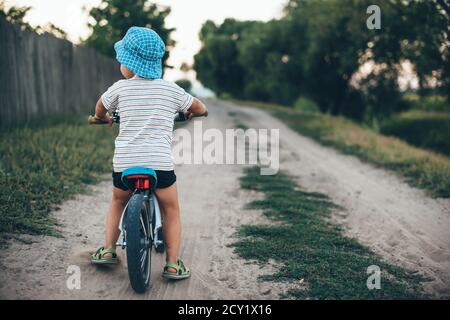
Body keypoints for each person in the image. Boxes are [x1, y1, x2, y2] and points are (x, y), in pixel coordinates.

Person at [90, 26, 208, 280]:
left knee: (118, 201)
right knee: (171, 210)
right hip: (159, 166)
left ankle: (109, 249)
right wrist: (193, 112)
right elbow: (199, 107)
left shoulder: (119, 88)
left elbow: (100, 106)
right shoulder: (170, 89)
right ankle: (173, 264)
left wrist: (103, 117)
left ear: (129, 64)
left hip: (125, 165)